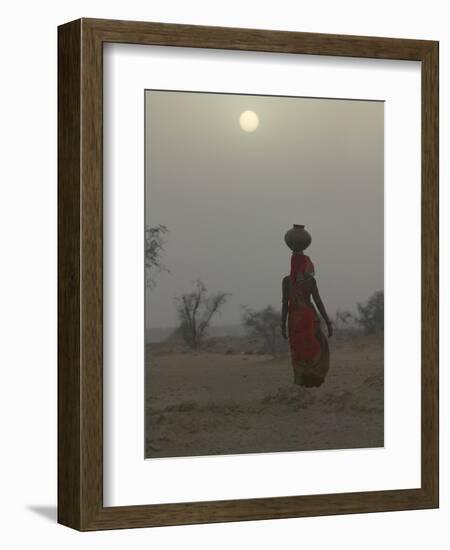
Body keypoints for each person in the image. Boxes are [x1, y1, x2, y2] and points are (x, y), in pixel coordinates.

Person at [281, 252, 332, 387]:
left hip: (294, 320)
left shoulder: (286, 281)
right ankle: (313, 380)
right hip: (309, 318)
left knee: (298, 351)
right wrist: (327, 321)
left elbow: (284, 304)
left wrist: (282, 324)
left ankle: (300, 381)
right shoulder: (310, 281)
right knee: (317, 347)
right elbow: (318, 302)